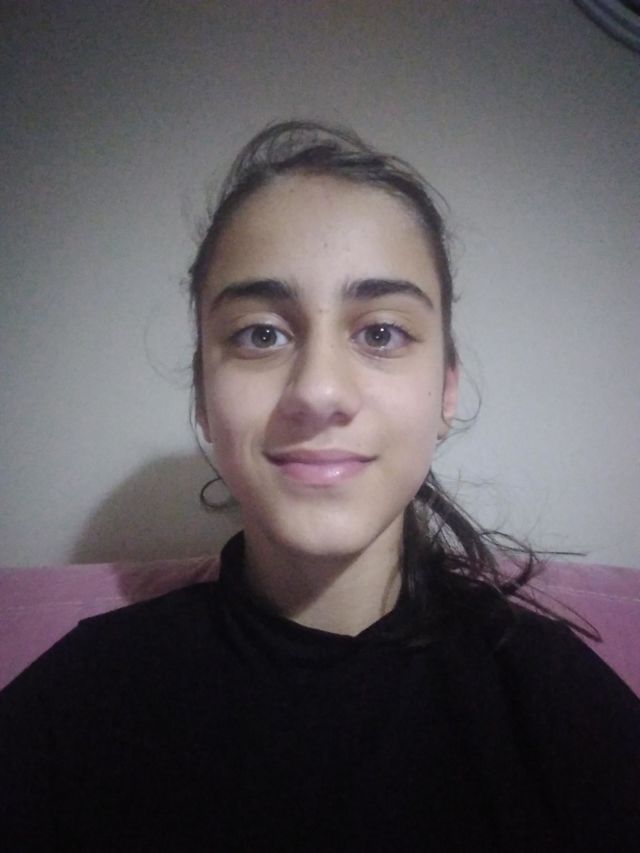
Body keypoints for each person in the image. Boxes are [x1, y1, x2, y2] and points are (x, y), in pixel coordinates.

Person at [1, 120, 639, 852]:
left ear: (446, 390)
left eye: (380, 332)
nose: (318, 391)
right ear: (204, 397)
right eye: (261, 334)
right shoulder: (87, 694)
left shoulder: (552, 696)